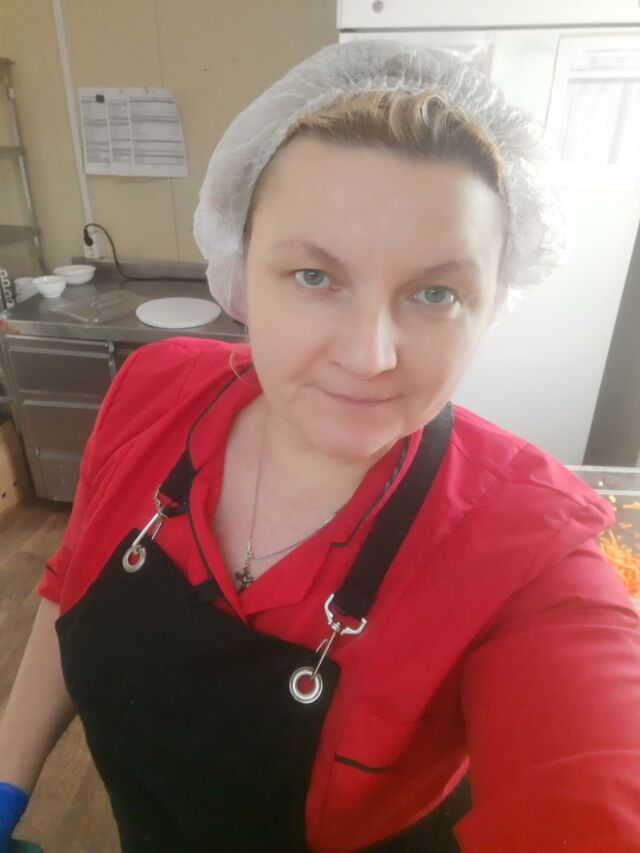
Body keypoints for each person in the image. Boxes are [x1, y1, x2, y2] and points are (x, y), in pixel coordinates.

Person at [1, 39, 639, 853]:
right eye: (315, 276)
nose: (369, 356)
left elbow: (596, 782)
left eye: (435, 292)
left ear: (491, 308)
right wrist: (9, 780)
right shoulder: (156, 388)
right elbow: (72, 576)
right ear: (241, 272)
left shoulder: (527, 551)